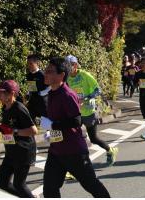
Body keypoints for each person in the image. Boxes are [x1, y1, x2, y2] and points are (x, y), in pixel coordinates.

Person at [41, 57, 110, 197]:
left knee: (91, 185)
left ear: (61, 75)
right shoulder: (51, 93)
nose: (45, 73)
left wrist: (53, 125)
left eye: (50, 71)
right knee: (49, 189)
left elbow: (76, 121)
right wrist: (51, 132)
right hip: (56, 151)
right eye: (46, 70)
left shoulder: (67, 94)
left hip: (74, 152)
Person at [65, 55, 118, 166]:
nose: (66, 68)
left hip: (88, 111)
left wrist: (87, 98)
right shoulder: (67, 78)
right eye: (65, 65)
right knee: (73, 139)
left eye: (68, 65)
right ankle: (75, 165)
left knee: (93, 139)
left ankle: (110, 150)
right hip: (75, 112)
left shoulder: (85, 75)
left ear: (75, 65)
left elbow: (98, 90)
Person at [0, 80, 38, 198]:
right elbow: (7, 127)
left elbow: (33, 130)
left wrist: (14, 131)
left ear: (12, 94)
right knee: (2, 182)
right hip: (11, 151)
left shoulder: (19, 108)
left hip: (23, 152)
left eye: (2, 93)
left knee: (19, 184)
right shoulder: (5, 108)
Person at [26, 54, 50, 123]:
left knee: (47, 124)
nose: (29, 65)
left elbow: (51, 86)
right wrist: (28, 94)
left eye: (31, 63)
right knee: (28, 120)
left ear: (37, 63)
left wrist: (43, 92)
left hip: (43, 102)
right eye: (28, 63)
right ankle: (30, 132)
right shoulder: (29, 75)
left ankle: (49, 132)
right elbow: (31, 88)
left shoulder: (42, 74)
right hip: (33, 102)